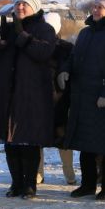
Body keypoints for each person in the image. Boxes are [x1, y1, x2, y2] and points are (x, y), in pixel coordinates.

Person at [58, 0, 105, 200]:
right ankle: (88, 185)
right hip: (84, 98)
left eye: (100, 7)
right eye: (95, 7)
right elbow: (73, 57)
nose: (96, 10)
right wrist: (65, 70)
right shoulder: (85, 33)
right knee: (86, 145)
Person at [0, 0, 56, 199]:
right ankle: (16, 183)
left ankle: (30, 184)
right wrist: (0, 41)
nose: (20, 8)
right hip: (7, 92)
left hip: (32, 93)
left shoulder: (45, 29)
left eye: (24, 4)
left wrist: (23, 38)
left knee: (29, 141)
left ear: (34, 7)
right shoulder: (7, 28)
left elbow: (44, 52)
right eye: (17, 4)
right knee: (10, 141)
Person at [37, 12, 75, 185]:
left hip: (61, 99)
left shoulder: (67, 48)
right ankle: (38, 173)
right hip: (39, 97)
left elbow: (74, 68)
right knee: (37, 137)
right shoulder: (36, 45)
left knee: (63, 137)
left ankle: (69, 173)